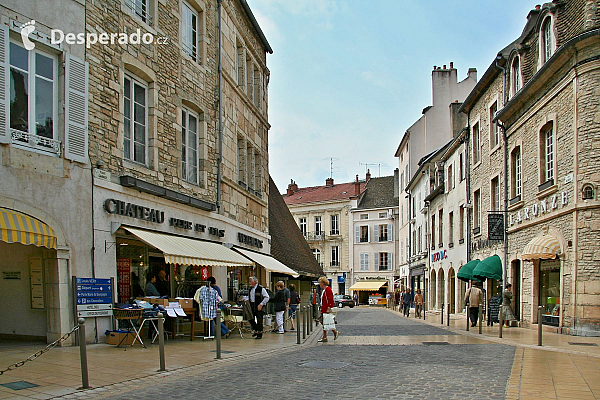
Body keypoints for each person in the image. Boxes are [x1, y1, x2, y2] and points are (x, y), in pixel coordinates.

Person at [318, 276, 339, 342]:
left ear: (322, 283)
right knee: (324, 322)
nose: (319, 284)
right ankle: (324, 336)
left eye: (320, 282)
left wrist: (329, 308)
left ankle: (335, 332)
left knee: (327, 322)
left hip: (326, 309)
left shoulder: (328, 290)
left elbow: (330, 299)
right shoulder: (325, 290)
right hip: (324, 308)